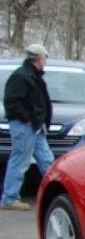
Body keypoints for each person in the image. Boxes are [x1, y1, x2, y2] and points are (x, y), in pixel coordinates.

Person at [2, 44, 54, 211]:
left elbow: (40, 102)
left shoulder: (34, 76)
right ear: (39, 58)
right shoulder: (20, 76)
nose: (46, 61)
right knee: (20, 160)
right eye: (45, 57)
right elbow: (12, 102)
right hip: (25, 126)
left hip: (36, 126)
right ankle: (10, 198)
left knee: (47, 160)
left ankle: (59, 192)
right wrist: (26, 120)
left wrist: (41, 121)